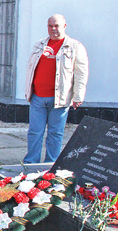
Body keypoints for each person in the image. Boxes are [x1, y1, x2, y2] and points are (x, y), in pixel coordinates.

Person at [24, 14, 89, 164]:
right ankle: (30, 163)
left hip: (59, 99)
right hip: (37, 97)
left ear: (64, 26)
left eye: (56, 26)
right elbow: (31, 68)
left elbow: (81, 73)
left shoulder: (75, 46)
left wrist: (78, 96)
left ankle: (50, 165)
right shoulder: (39, 44)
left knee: (55, 134)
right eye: (50, 26)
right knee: (34, 132)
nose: (53, 29)